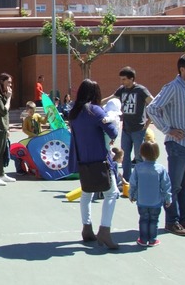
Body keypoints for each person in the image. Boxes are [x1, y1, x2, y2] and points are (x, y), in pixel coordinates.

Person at [146, 53, 185, 237]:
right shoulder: (172, 88)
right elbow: (152, 108)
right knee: (174, 185)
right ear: (182, 69)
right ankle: (171, 221)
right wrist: (167, 129)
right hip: (178, 146)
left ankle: (184, 218)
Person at [68, 79, 119, 249]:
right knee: (112, 193)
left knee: (86, 192)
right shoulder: (95, 111)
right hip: (100, 159)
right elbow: (113, 132)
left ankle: (87, 228)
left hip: (83, 160)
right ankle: (104, 230)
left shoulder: (74, 113)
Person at [101, 67, 153, 182]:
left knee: (139, 156)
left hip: (139, 129)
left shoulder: (141, 90)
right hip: (126, 129)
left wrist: (148, 121)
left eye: (124, 79)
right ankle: (127, 179)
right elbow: (111, 98)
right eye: (121, 79)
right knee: (125, 156)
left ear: (132, 79)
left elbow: (153, 104)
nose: (122, 82)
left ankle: (140, 179)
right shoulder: (122, 89)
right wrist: (97, 104)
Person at [129, 141, 172, 247]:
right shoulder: (160, 169)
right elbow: (166, 185)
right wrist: (168, 198)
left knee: (143, 219)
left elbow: (133, 183)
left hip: (142, 200)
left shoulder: (138, 168)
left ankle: (143, 239)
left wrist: (132, 195)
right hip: (156, 201)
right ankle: (152, 239)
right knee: (154, 220)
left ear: (142, 153)